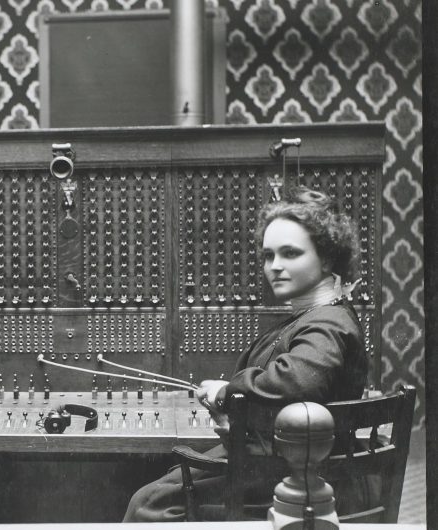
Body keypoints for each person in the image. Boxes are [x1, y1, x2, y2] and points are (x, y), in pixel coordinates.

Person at [123, 186, 369, 522]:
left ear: (326, 258)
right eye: (269, 256)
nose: (275, 267)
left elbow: (296, 383)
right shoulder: (313, 316)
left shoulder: (328, 324)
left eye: (290, 254)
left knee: (149, 504)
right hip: (280, 464)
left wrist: (226, 392)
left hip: (299, 479)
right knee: (153, 487)